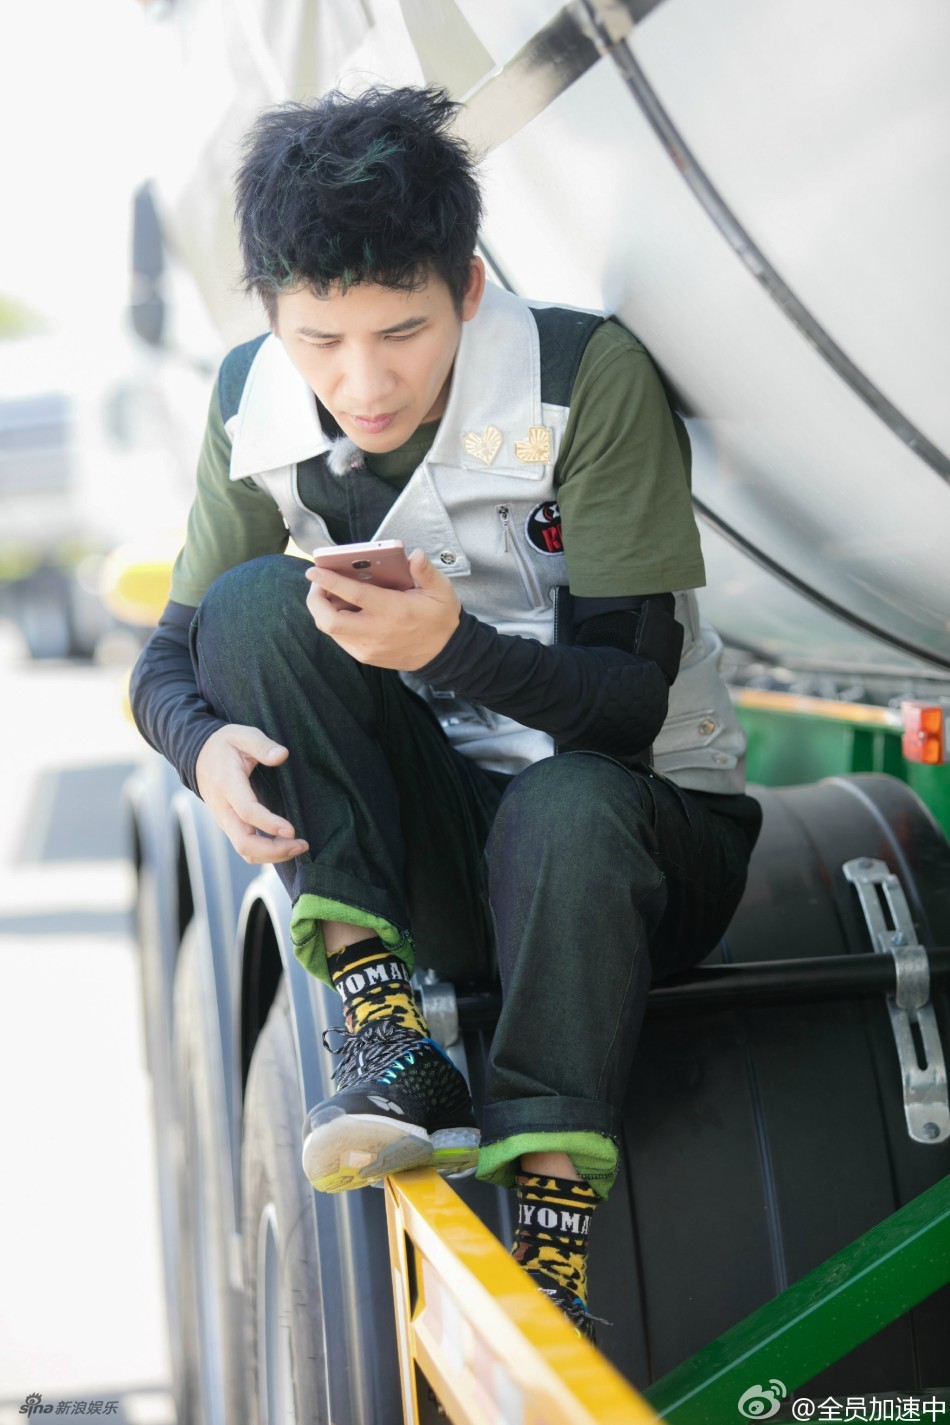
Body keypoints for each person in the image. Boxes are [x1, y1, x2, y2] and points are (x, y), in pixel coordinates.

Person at [130, 84, 762, 1340]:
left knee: (570, 802)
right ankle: (385, 1034)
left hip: (637, 857)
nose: (360, 382)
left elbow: (623, 711)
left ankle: (549, 1224)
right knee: (257, 608)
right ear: (269, 313)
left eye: (401, 333)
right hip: (443, 863)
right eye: (318, 339)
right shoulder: (253, 405)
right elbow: (166, 664)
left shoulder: (587, 380)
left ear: (467, 286)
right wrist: (200, 752)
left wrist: (451, 647)